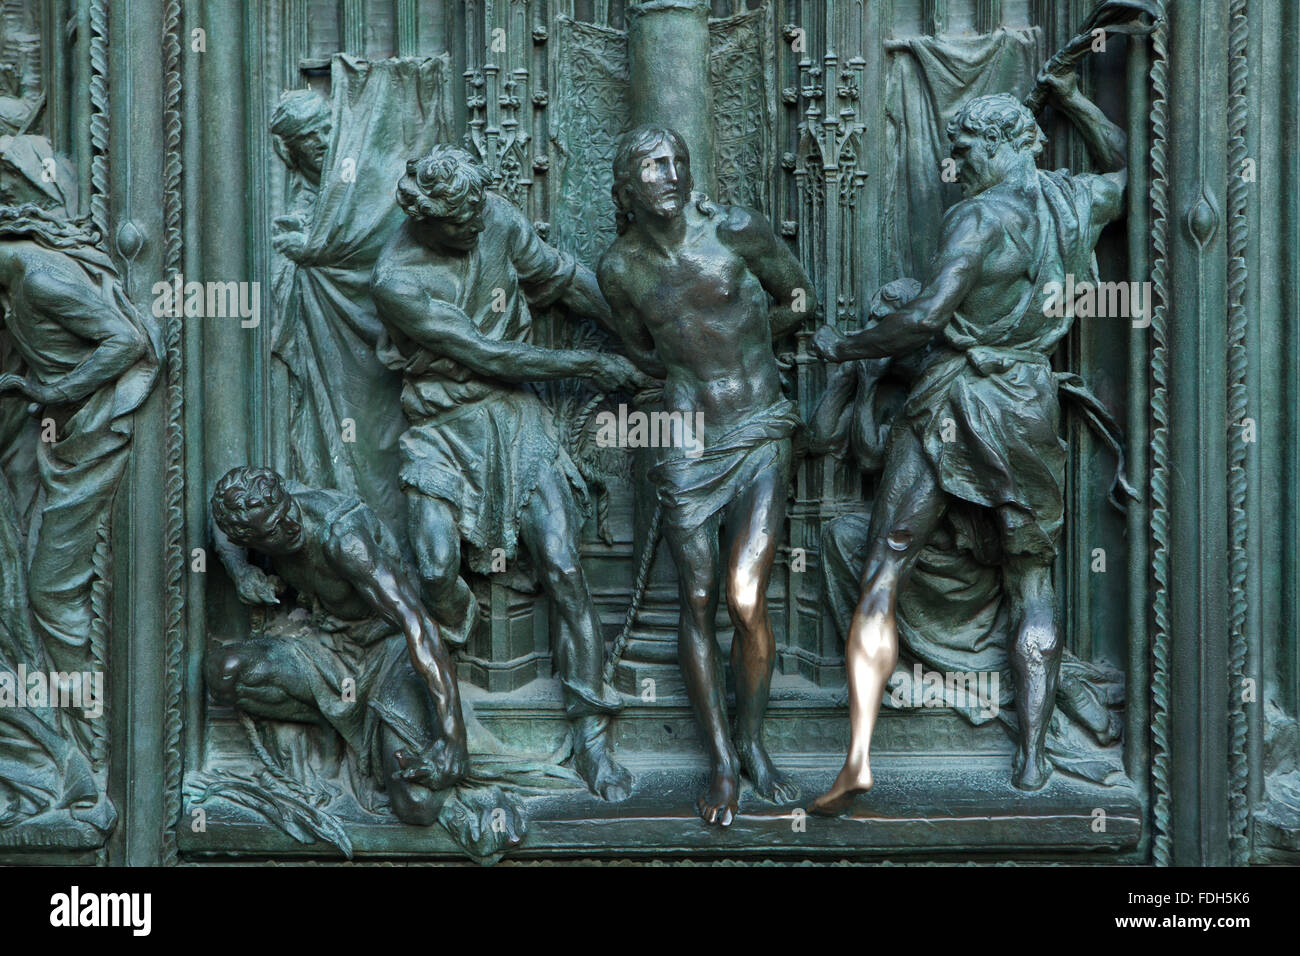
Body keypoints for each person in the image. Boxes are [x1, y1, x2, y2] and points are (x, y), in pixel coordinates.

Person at [808, 70, 1127, 811]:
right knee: (1032, 584)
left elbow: (923, 319)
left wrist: (845, 348)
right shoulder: (1073, 201)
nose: (958, 163)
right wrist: (1078, 98)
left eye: (966, 147)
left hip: (953, 399)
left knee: (884, 561)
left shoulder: (977, 219)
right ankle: (1033, 761)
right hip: (1026, 401)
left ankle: (858, 755)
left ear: (1004, 141)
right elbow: (1131, 172)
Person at [369, 145, 647, 801]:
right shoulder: (396, 279)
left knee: (563, 564)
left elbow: (562, 277)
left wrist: (637, 338)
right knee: (435, 568)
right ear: (425, 216)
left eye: (477, 215)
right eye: (460, 224)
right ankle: (446, 693)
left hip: (514, 419)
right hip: (441, 426)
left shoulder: (490, 214)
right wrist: (587, 367)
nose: (476, 228)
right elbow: (482, 351)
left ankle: (591, 736)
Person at [597, 125, 815, 826]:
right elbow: (641, 348)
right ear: (627, 187)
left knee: (745, 596)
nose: (670, 174)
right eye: (653, 166)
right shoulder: (619, 270)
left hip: (756, 427)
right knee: (694, 597)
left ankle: (754, 744)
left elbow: (800, 299)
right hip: (687, 440)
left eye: (678, 162)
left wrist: (749, 337)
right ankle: (722, 760)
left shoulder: (738, 230)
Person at [208, 466, 467, 823]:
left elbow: (417, 624)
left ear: (284, 496)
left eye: (286, 512)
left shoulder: (343, 538)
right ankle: (343, 717)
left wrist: (454, 739)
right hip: (327, 649)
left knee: (416, 804)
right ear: (250, 539)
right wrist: (241, 573)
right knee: (225, 672)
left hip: (390, 652)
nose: (290, 527)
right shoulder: (253, 518)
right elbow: (221, 529)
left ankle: (366, 722)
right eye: (272, 531)